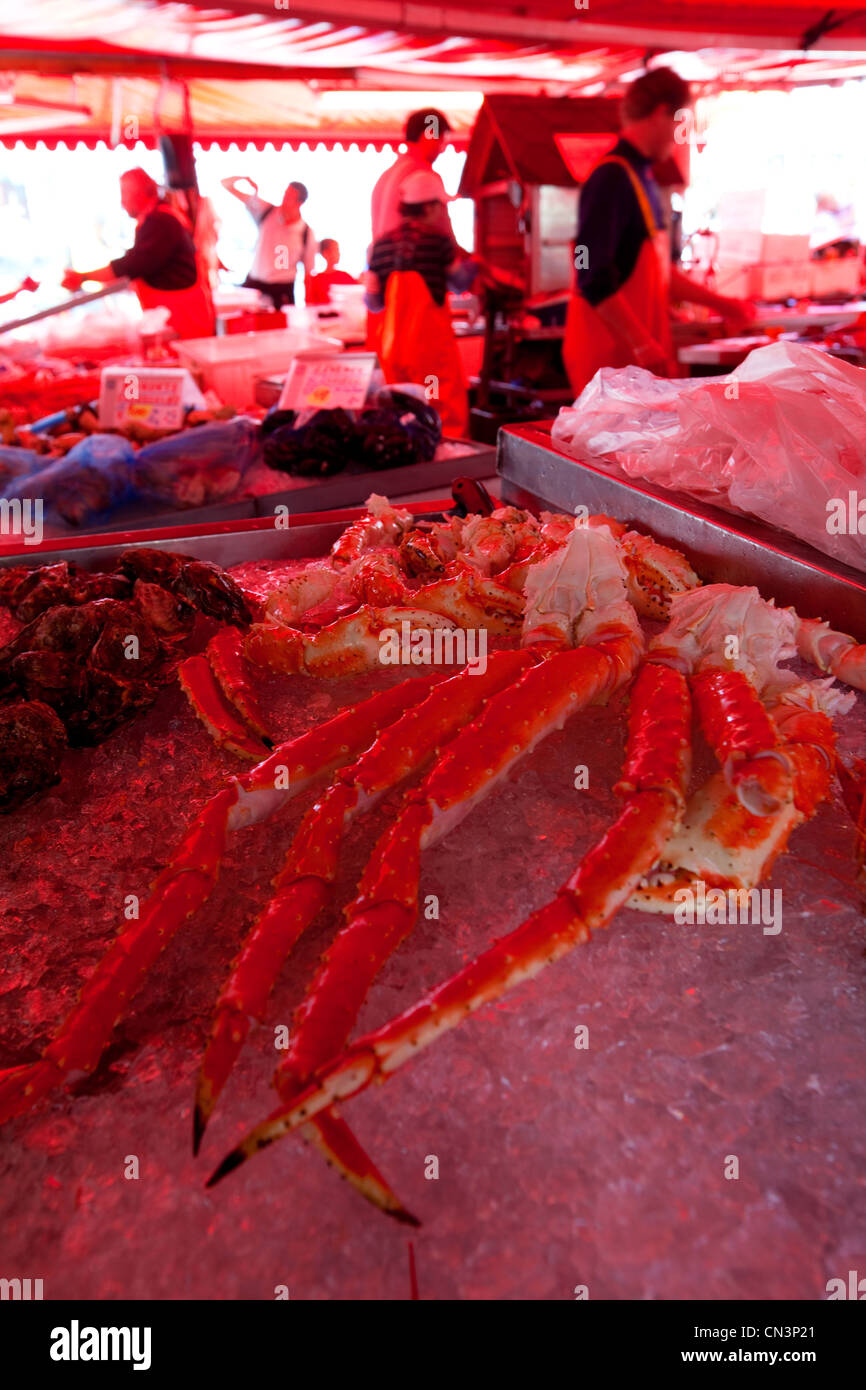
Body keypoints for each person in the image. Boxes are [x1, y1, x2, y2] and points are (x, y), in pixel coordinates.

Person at [563, 68, 754, 395]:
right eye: (682, 123)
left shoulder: (642, 179)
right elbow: (590, 274)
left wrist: (723, 304)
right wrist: (641, 343)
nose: (682, 135)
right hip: (608, 370)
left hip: (632, 369)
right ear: (661, 113)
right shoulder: (610, 178)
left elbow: (658, 273)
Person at [367, 169, 468, 437]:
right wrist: (478, 266)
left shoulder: (381, 246)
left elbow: (374, 302)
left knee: (400, 408)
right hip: (429, 348)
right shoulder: (438, 242)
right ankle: (448, 466)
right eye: (441, 206)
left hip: (393, 349)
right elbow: (461, 284)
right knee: (440, 407)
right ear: (429, 207)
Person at [61, 169, 214, 339]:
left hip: (184, 325)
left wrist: (83, 278)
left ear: (140, 195)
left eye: (125, 194)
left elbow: (132, 265)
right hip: (174, 323)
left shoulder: (160, 222)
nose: (122, 202)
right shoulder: (159, 218)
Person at [222, 176, 315, 309]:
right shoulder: (266, 210)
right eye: (285, 194)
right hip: (255, 286)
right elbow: (225, 184)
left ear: (299, 203)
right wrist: (244, 179)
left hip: (282, 291)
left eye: (290, 197)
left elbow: (308, 272)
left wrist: (309, 305)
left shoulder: (306, 232)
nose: (284, 200)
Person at [306, 239, 357, 305]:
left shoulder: (345, 276)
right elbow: (310, 305)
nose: (339, 254)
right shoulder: (315, 280)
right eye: (336, 250)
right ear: (325, 253)